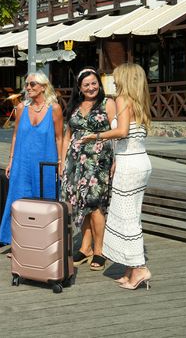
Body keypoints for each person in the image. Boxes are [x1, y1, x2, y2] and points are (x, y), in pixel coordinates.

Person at [82, 63, 153, 290]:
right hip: (139, 161)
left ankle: (140, 268)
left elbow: (121, 132)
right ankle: (130, 269)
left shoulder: (123, 100)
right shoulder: (140, 101)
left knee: (128, 217)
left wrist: (96, 136)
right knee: (131, 215)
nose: (114, 80)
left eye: (118, 76)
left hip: (130, 165)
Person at [0, 71, 64, 246]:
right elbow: (15, 135)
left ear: (43, 87)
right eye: (27, 84)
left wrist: (61, 162)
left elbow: (59, 138)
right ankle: (18, 243)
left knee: (45, 200)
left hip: (46, 163)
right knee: (19, 200)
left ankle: (45, 243)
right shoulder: (21, 108)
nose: (28, 87)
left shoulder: (54, 109)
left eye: (32, 84)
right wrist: (11, 160)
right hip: (22, 162)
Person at [60, 68, 116, 271]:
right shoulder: (74, 105)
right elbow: (67, 135)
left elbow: (116, 131)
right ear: (80, 88)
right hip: (75, 162)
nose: (91, 88)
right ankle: (85, 247)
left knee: (94, 204)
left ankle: (99, 250)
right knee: (79, 203)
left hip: (98, 161)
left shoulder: (107, 103)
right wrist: (62, 161)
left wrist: (116, 159)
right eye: (87, 85)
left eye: (94, 83)